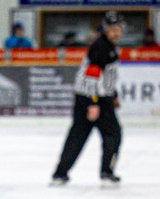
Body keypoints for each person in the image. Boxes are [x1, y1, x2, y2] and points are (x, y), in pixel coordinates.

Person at [51, 11, 123, 186]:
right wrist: (93, 103)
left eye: (118, 28)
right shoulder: (101, 46)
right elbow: (92, 75)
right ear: (106, 30)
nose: (116, 32)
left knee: (78, 135)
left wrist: (113, 95)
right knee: (112, 134)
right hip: (92, 98)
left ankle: (60, 174)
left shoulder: (109, 46)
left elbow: (106, 76)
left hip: (94, 97)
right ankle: (106, 173)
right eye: (112, 29)